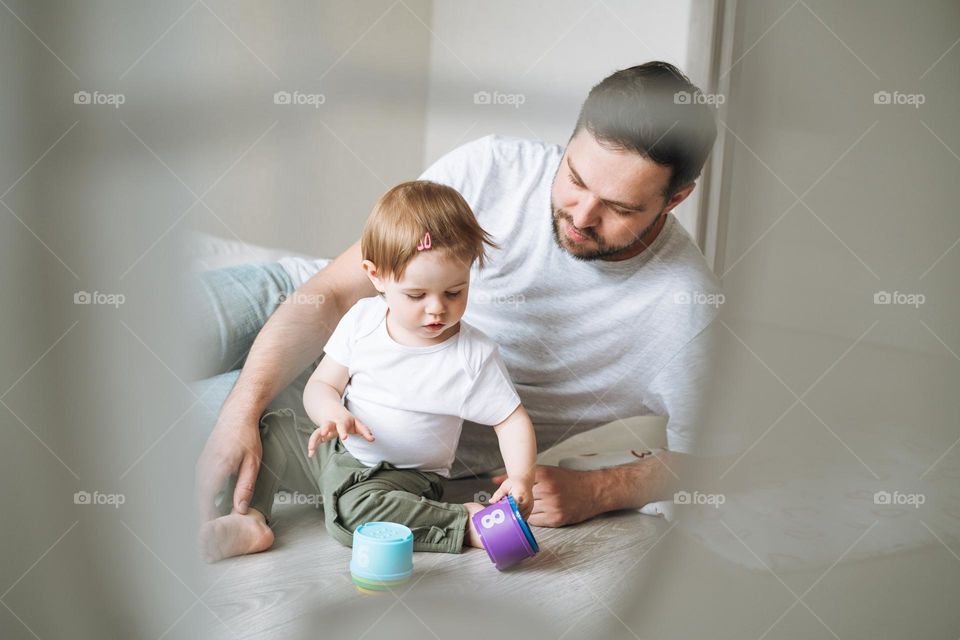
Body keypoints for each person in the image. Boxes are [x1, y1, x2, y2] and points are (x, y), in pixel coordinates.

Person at [195, 60, 737, 533]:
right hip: (299, 302)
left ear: (675, 199)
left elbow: (722, 459)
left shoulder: (687, 313)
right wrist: (239, 409)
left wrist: (600, 490)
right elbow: (335, 293)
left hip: (361, 420)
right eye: (574, 177)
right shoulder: (493, 167)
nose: (581, 214)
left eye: (618, 208)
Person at [199, 181, 537, 561]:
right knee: (269, 429)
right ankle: (250, 518)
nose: (436, 309)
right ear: (376, 276)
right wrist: (333, 413)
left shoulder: (472, 355)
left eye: (454, 292)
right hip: (335, 452)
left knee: (356, 515)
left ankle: (463, 522)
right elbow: (322, 385)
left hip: (401, 478)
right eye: (416, 295)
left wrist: (521, 476)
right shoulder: (363, 320)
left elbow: (510, 421)